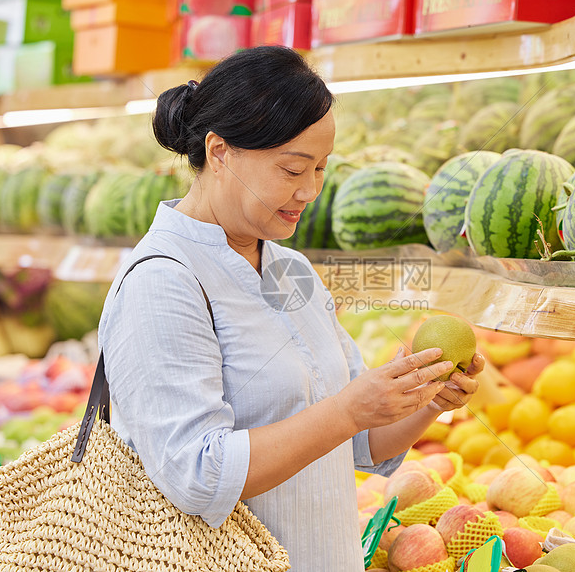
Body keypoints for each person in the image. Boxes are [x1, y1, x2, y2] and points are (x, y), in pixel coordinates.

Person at [97, 46, 484, 571]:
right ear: (220, 152)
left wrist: (425, 398)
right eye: (291, 169)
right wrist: (348, 408)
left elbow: (360, 443)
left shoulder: (288, 267)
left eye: (321, 168)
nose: (311, 191)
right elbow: (197, 474)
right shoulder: (164, 281)